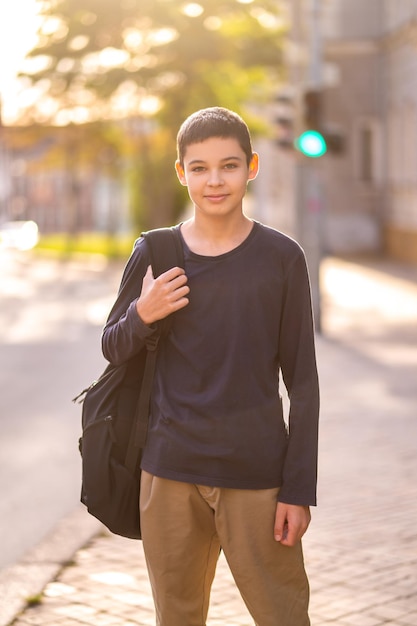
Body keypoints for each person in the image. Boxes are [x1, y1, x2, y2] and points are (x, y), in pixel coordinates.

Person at [102, 106, 319, 626]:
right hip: (169, 470)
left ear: (252, 166)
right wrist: (143, 314)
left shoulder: (281, 257)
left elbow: (304, 381)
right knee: (175, 617)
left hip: (256, 474)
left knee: (284, 615)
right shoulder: (157, 250)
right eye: (198, 168)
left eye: (228, 165)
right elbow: (112, 346)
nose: (214, 180)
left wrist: (298, 489)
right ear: (181, 173)